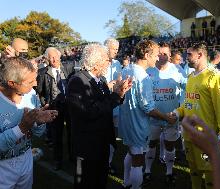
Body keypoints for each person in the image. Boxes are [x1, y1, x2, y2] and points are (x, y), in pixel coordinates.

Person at [66, 44, 132, 189]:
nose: (109, 63)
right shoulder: (77, 81)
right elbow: (89, 111)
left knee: (101, 181)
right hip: (87, 146)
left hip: (102, 143)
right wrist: (115, 95)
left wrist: (119, 93)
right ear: (96, 62)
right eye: (106, 60)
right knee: (86, 183)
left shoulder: (100, 79)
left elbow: (106, 106)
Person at [118, 40, 176, 189]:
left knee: (130, 153)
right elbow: (148, 108)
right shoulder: (143, 77)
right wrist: (166, 118)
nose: (157, 58)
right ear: (146, 55)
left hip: (126, 122)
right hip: (137, 124)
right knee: (138, 159)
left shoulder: (126, 69)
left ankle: (126, 183)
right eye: (155, 55)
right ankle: (135, 187)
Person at [173, 42, 220, 189]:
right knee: (194, 170)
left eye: (189, 54)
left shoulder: (215, 76)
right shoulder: (191, 76)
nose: (186, 57)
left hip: (205, 136)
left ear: (200, 55)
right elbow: (188, 103)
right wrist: (177, 112)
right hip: (188, 133)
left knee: (210, 171)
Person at [0, 57, 58, 189]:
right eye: (30, 81)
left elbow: (38, 133)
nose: (35, 84)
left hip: (26, 158)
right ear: (12, 83)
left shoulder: (30, 94)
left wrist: (38, 122)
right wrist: (22, 127)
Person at [144, 42, 187, 185]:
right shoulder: (148, 70)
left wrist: (181, 108)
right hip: (153, 117)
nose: (162, 56)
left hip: (171, 118)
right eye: (159, 53)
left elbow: (187, 88)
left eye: (165, 54)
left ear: (170, 55)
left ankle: (169, 172)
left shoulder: (177, 70)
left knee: (170, 145)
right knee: (151, 143)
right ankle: (147, 171)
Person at [36, 47, 74, 170]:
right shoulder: (42, 72)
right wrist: (45, 104)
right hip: (54, 107)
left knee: (71, 133)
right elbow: (40, 92)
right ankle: (58, 160)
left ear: (60, 56)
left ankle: (72, 156)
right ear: (47, 59)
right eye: (51, 57)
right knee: (56, 135)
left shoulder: (68, 68)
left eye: (56, 56)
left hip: (69, 106)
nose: (54, 59)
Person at [104, 38, 122, 174]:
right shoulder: (99, 63)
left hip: (115, 104)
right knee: (102, 134)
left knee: (113, 135)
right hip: (102, 104)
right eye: (113, 48)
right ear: (106, 48)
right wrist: (107, 86)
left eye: (117, 49)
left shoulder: (117, 64)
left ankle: (109, 162)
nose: (116, 51)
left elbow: (119, 80)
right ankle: (101, 161)